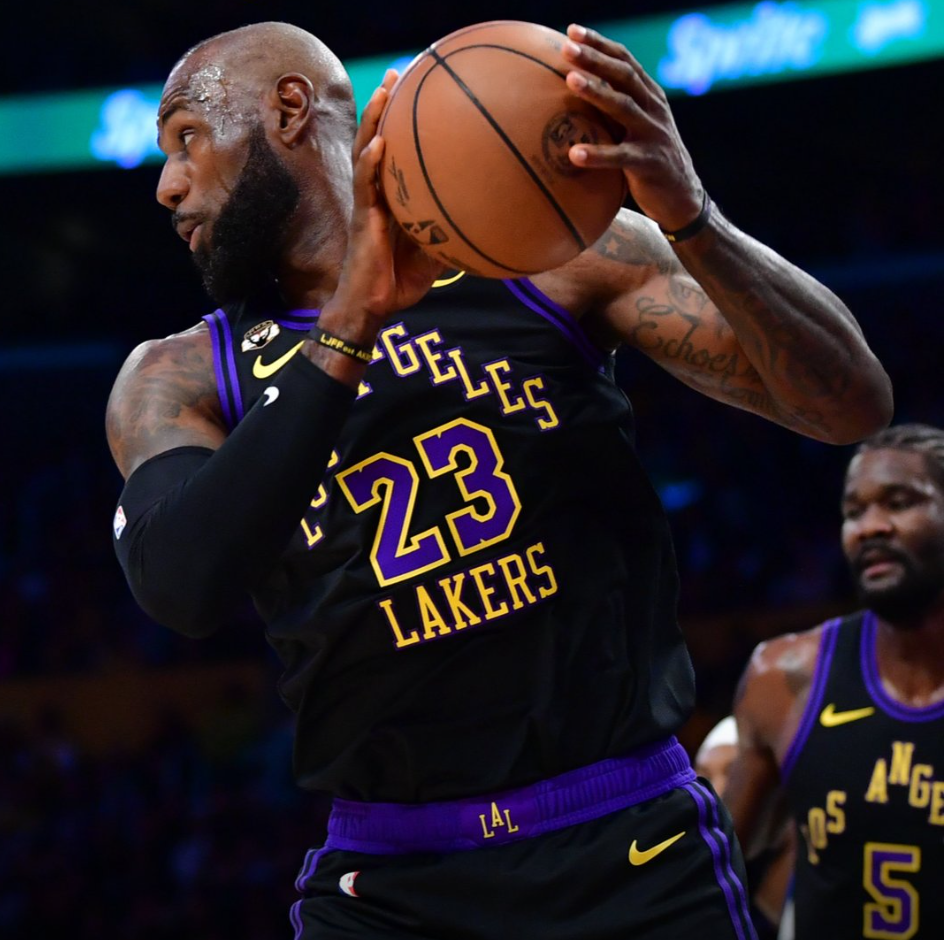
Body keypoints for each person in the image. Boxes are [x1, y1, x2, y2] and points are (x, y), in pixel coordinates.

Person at [106, 19, 892, 939]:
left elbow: (850, 404)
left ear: (288, 110)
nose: (167, 186)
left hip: (630, 843)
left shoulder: (541, 254)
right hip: (394, 886)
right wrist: (350, 325)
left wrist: (693, 216)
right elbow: (182, 586)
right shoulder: (180, 377)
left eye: (187, 139)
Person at [726, 423, 944, 939]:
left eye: (899, 503)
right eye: (854, 511)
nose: (870, 527)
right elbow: (713, 872)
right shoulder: (783, 675)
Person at [696, 717, 795, 940]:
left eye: (731, 775)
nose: (716, 791)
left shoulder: (800, 872)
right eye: (705, 777)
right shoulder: (689, 872)